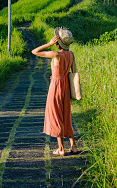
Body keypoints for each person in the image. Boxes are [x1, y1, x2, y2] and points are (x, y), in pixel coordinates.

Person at [32, 27, 78, 156]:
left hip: (56, 86)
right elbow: (74, 71)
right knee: (66, 115)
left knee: (56, 115)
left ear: (58, 42)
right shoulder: (71, 54)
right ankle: (73, 146)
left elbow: (34, 51)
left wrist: (49, 44)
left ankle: (61, 148)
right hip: (66, 86)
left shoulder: (56, 54)